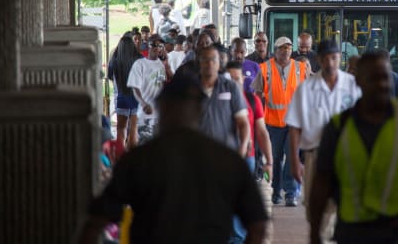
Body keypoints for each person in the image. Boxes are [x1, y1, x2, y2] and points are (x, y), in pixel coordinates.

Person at [77, 74, 268, 244]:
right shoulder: (227, 160)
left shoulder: (139, 159)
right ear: (201, 109)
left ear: (162, 107)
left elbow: (95, 222)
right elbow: (258, 225)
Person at [309, 52, 398, 244]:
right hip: (354, 230)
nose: (381, 84)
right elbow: (322, 180)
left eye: (385, 77)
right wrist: (315, 232)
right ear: (358, 82)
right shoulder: (339, 126)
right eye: (374, 78)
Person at [285, 39, 362, 237]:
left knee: (347, 207)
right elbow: (294, 127)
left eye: (334, 58)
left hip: (348, 157)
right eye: (326, 59)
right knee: (316, 210)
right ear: (319, 59)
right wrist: (294, 162)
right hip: (315, 157)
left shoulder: (352, 85)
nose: (330, 63)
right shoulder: (307, 89)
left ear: (339, 58)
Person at [251, 36, 310, 206]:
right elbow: (258, 95)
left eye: (289, 48)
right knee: (274, 159)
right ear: (275, 51)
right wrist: (259, 120)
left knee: (292, 158)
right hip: (272, 123)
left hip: (294, 123)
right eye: (282, 48)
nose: (286, 51)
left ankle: (290, 193)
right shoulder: (265, 68)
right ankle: (275, 192)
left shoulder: (300, 68)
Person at [126, 34, 167, 145]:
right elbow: (135, 87)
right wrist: (143, 104)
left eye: (160, 45)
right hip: (145, 116)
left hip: (159, 116)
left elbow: (163, 86)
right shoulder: (140, 64)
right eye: (154, 45)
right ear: (148, 46)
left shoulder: (162, 65)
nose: (157, 48)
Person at [108, 36, 143, 149]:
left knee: (121, 129)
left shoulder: (115, 60)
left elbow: (110, 76)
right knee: (133, 128)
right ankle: (132, 158)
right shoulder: (140, 59)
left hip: (122, 98)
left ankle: (119, 156)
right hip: (136, 99)